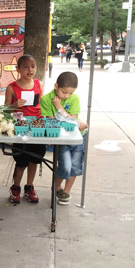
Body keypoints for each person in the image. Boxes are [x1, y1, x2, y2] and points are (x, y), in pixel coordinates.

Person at [40, 71, 88, 205]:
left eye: (70, 93)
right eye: (64, 92)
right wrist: (73, 121)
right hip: (61, 138)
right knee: (65, 166)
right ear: (56, 86)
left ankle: (66, 191)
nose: (67, 96)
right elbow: (52, 123)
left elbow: (74, 120)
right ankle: (56, 186)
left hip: (78, 137)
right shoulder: (45, 99)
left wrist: (59, 108)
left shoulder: (75, 98)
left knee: (75, 167)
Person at [4, 54, 45, 204]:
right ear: (18, 69)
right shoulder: (12, 87)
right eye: (26, 67)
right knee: (21, 161)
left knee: (35, 159)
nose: (30, 70)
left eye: (33, 66)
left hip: (37, 127)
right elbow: (5, 109)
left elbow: (42, 105)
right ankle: (15, 188)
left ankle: (29, 187)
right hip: (20, 128)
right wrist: (14, 106)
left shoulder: (39, 84)